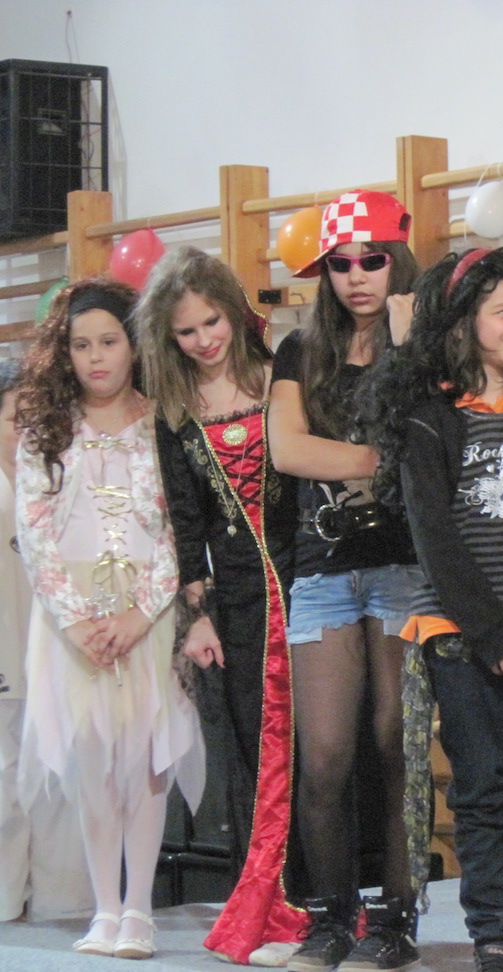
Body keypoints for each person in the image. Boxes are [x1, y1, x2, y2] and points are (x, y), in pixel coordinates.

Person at [360, 247, 503, 972]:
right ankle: (493, 931)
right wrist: (492, 633)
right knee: (481, 793)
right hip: (462, 639)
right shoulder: (428, 415)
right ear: (462, 322)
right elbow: (435, 538)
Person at [12, 278, 205, 958]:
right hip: (72, 616)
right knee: (93, 755)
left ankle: (140, 909)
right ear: (63, 352)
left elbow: (182, 527)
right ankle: (104, 908)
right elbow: (33, 531)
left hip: (146, 610)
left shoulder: (166, 423)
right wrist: (75, 620)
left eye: (109, 342)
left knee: (145, 754)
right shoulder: (45, 430)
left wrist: (140, 612)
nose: (96, 358)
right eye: (81, 345)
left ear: (135, 346)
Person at [135, 246, 306, 966]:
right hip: (235, 600)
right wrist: (195, 614)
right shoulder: (174, 412)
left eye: (212, 322)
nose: (204, 339)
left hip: (307, 580)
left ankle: (325, 901)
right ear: (168, 338)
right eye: (187, 331)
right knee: (253, 748)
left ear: (235, 313)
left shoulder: (283, 380)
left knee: (320, 749)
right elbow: (186, 520)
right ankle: (269, 905)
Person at [268, 191, 423, 972]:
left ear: (398, 261)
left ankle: (395, 918)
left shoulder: (423, 344)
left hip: (405, 567)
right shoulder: (299, 351)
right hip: (324, 570)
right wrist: (382, 462)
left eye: (373, 259)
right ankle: (331, 917)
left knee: (399, 747)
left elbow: (432, 438)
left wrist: (409, 346)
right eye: (341, 263)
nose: (357, 275)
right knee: (325, 755)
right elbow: (289, 450)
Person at [0, 356, 95, 924]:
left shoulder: (62, 476)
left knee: (64, 779)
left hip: (59, 654)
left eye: (37, 419)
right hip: (3, 653)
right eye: (16, 419)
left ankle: (67, 905)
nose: (27, 432)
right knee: (3, 787)